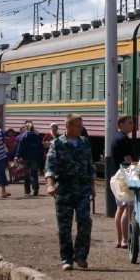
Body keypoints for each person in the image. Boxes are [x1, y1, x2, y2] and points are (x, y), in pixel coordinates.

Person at [45, 113, 96, 271]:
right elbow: (50, 166)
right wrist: (50, 185)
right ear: (68, 126)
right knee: (64, 226)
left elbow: (90, 167)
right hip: (64, 189)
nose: (81, 128)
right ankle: (67, 258)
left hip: (82, 189)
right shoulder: (58, 144)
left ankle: (81, 256)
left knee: (85, 222)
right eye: (78, 126)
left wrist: (92, 187)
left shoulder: (84, 142)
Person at [112, 115, 135, 247]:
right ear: (121, 125)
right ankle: (125, 240)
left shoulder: (115, 137)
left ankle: (119, 239)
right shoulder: (124, 139)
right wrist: (135, 171)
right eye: (129, 123)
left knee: (120, 208)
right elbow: (128, 159)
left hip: (117, 176)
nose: (132, 125)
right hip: (125, 176)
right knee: (128, 208)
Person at [15, 121, 45, 196]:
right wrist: (41, 156)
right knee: (34, 173)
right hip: (35, 157)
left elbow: (21, 147)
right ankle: (35, 185)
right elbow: (40, 147)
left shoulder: (23, 136)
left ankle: (27, 190)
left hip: (25, 157)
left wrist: (17, 155)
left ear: (26, 128)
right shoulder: (36, 136)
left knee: (26, 173)